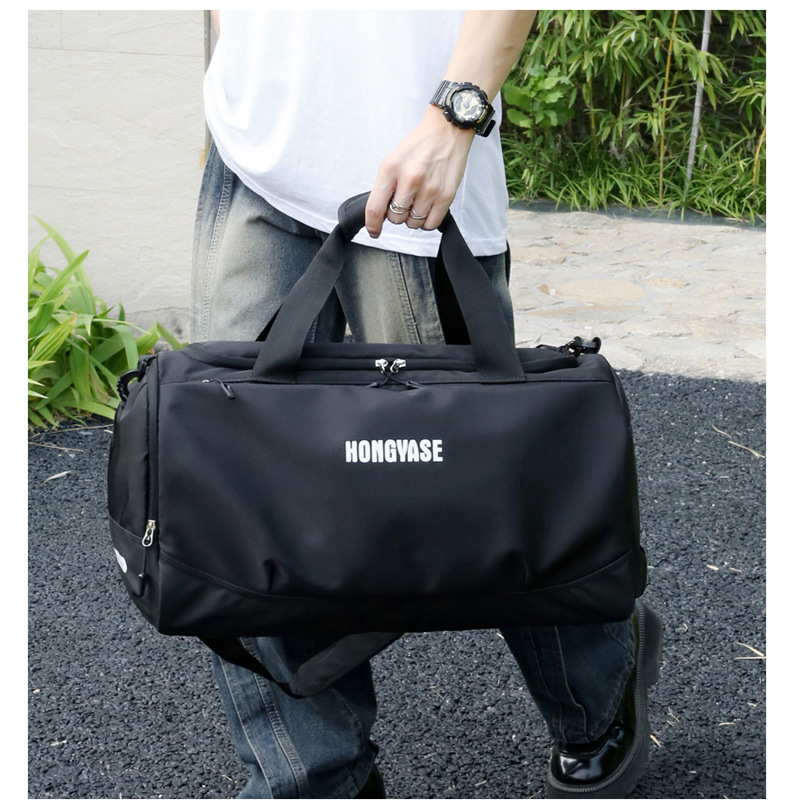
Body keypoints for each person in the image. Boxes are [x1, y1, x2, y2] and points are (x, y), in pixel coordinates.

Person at [191, 10, 662, 799]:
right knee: (243, 484)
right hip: (252, 149)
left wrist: (458, 113)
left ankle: (597, 688)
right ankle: (316, 776)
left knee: (485, 478)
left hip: (417, 148)